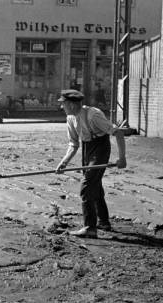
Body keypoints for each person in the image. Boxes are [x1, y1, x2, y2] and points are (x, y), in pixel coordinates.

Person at [55, 89, 127, 238]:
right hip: (87, 149)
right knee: (95, 184)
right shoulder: (70, 118)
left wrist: (122, 158)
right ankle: (104, 222)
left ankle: (90, 227)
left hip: (100, 148)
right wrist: (64, 162)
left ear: (72, 104)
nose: (62, 107)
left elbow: (118, 133)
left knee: (87, 187)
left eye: (64, 104)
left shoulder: (93, 115)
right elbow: (74, 144)